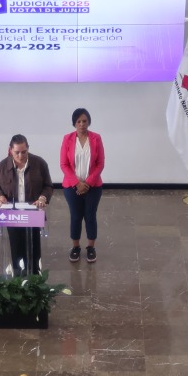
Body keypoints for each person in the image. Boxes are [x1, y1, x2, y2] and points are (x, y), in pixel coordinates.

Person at [0, 136, 53, 275]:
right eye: (17, 152)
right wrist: (0, 196)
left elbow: (48, 186)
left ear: (28, 148)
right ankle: (18, 280)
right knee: (16, 250)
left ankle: (35, 279)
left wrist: (42, 198)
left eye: (24, 152)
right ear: (10, 150)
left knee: (34, 251)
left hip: (33, 215)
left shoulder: (39, 163)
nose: (20, 155)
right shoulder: (2, 166)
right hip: (13, 216)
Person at [59, 108, 105, 263]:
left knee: (90, 216)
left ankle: (91, 247)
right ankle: (76, 247)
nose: (82, 124)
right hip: (72, 187)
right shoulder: (67, 139)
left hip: (93, 186)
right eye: (78, 121)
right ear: (74, 123)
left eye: (84, 121)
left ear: (89, 122)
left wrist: (88, 183)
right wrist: (77, 183)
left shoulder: (96, 138)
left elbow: (100, 164)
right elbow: (64, 164)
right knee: (76, 216)